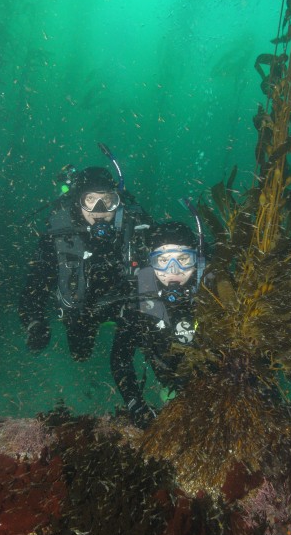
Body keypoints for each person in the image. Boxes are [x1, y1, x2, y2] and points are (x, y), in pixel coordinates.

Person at [18, 163, 152, 362]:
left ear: (117, 201)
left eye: (107, 200)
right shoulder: (57, 237)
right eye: (90, 199)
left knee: (141, 348)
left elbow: (169, 251)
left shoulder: (135, 228)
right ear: (77, 201)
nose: (99, 210)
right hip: (80, 312)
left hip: (126, 306)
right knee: (80, 355)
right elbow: (35, 285)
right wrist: (34, 323)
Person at [110, 220, 204, 428]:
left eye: (183, 259)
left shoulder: (215, 290)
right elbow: (120, 357)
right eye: (162, 260)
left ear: (197, 259)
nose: (174, 270)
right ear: (150, 263)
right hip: (168, 377)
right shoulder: (139, 297)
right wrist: (136, 405)